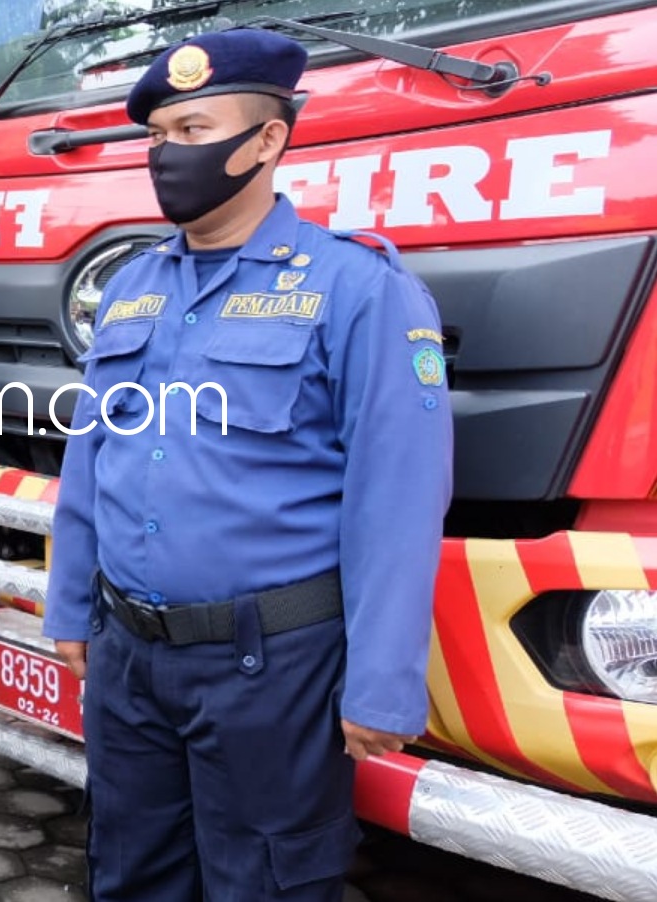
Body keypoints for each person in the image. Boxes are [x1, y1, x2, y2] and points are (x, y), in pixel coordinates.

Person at [43, 30, 453, 902]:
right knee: (130, 869)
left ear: (268, 140)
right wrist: (69, 608)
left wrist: (380, 684)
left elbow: (398, 498)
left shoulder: (358, 288)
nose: (167, 154)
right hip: (127, 657)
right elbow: (92, 462)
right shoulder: (132, 286)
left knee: (263, 883)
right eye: (158, 135)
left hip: (271, 667)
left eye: (193, 129)